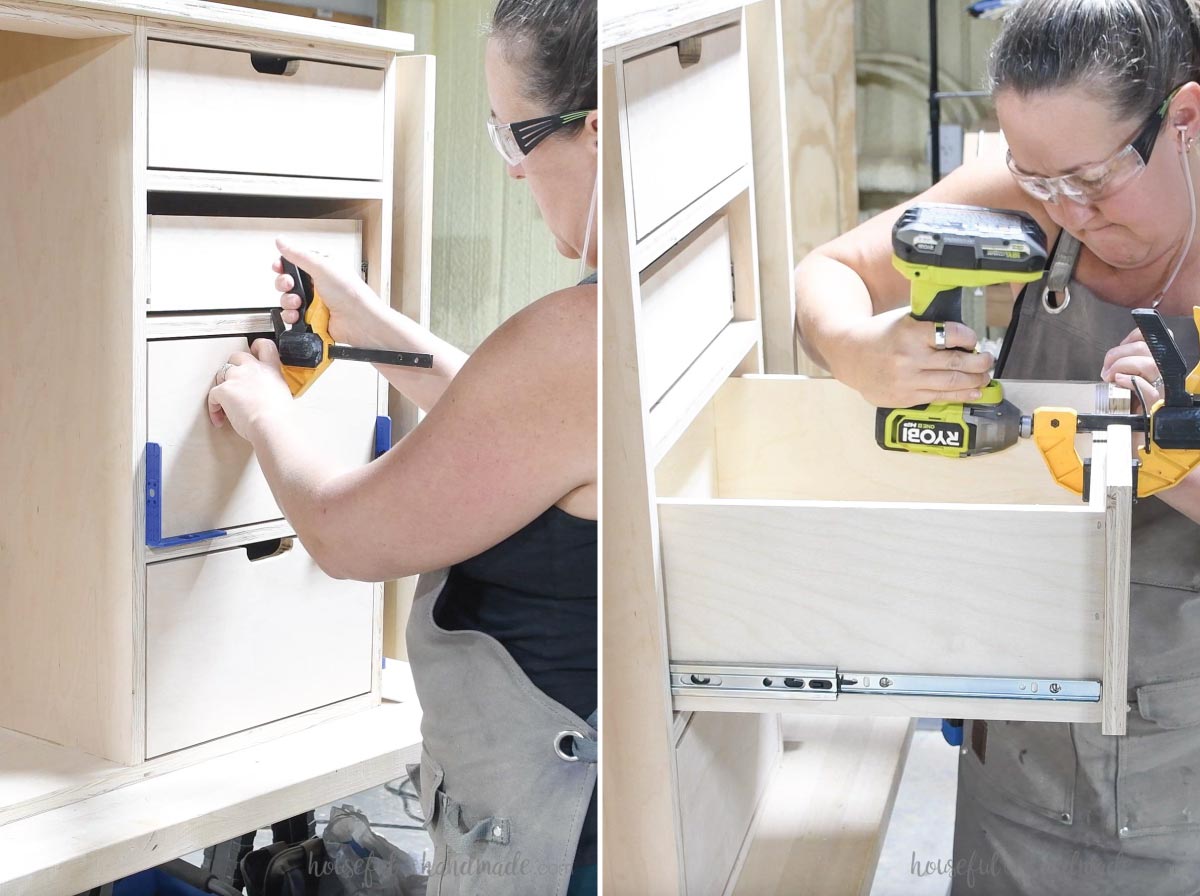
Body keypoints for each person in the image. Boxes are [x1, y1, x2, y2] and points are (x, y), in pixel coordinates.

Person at [795, 0, 1200, 891]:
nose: (1068, 209)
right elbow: (822, 274)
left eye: (1092, 177)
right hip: (1022, 745)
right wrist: (861, 352)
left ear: (1184, 118)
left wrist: (1178, 459)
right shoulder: (1036, 198)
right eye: (1036, 174)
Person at [205, 0, 597, 893]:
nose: (511, 173)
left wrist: (265, 411)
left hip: (558, 840)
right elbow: (519, 431)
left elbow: (345, 533)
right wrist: (367, 327)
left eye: (515, 138)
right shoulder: (647, 292)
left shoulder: (580, 336)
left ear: (598, 132)